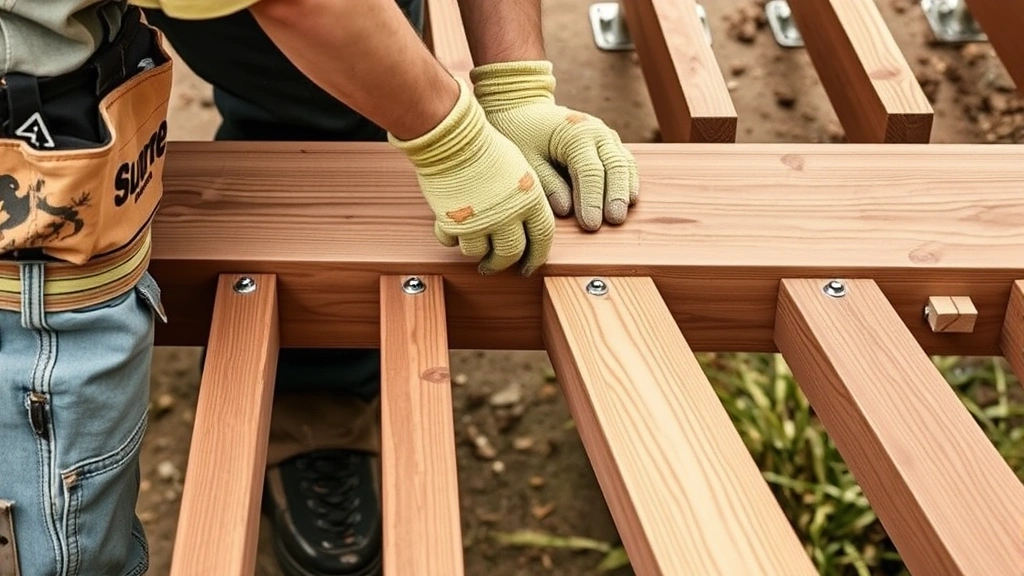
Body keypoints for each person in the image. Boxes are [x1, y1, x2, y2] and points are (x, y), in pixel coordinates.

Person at [0, 1, 638, 575]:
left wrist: (515, 86)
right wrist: (451, 139)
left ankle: (317, 398)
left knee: (333, 97)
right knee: (61, 539)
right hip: (33, 113)